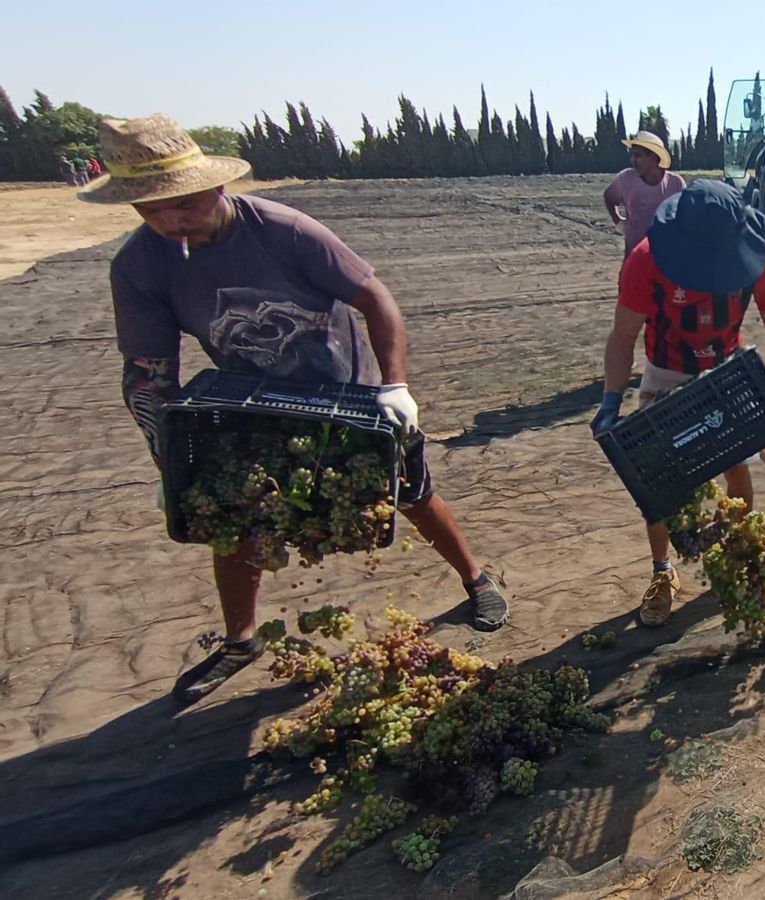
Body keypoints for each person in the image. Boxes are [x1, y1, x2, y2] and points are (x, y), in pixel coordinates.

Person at [78, 114, 509, 705]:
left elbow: (375, 300)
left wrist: (394, 386)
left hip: (346, 393)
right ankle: (240, 640)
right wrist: (169, 459)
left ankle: (476, 579)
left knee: (410, 492)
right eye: (153, 210)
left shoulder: (284, 231)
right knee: (234, 517)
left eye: (185, 203)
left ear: (215, 187)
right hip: (249, 407)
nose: (173, 220)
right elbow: (148, 371)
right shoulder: (140, 265)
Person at [592, 179, 765, 627]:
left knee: (735, 465)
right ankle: (661, 571)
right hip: (667, 370)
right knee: (658, 481)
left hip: (728, 372)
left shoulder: (760, 262)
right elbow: (623, 336)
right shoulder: (646, 261)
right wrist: (611, 401)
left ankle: (741, 548)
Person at [603, 131, 686, 262]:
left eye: (638, 156)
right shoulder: (625, 179)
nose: (633, 161)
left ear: (653, 157)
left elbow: (684, 216)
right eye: (632, 155)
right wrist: (618, 220)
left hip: (666, 260)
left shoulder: (675, 183)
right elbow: (609, 197)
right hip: (634, 258)